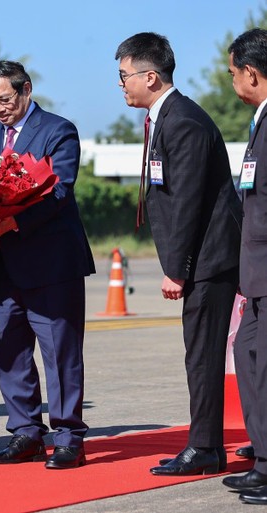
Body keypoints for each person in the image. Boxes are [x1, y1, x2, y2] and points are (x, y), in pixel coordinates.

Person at [115, 32, 241, 476]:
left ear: (151, 76)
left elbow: (187, 201)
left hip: (208, 259)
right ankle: (209, 444)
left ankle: (206, 447)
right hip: (203, 258)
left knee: (203, 354)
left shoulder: (182, 120)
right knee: (202, 352)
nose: (121, 84)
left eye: (124, 75)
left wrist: (177, 269)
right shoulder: (164, 116)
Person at [0, 61, 95, 470]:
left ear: (26, 90)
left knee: (59, 352)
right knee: (10, 350)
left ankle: (68, 437)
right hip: (3, 262)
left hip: (51, 264)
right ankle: (25, 432)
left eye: (4, 99)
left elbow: (59, 190)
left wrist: (11, 220)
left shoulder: (58, 130)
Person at [222, 28, 267, 505]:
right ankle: (264, 460)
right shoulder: (260, 121)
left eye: (234, 72)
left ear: (251, 73)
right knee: (252, 361)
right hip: (255, 271)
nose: (232, 80)